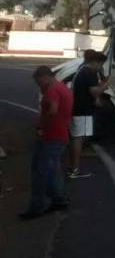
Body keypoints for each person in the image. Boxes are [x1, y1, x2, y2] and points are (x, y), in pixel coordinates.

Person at [19, 66, 73, 220]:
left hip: (52, 136)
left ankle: (36, 207)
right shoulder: (61, 87)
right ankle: (58, 200)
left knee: (40, 173)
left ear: (45, 77)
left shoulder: (52, 91)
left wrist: (42, 126)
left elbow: (53, 110)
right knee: (52, 170)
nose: (38, 85)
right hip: (58, 135)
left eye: (38, 82)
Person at [68, 49, 109, 179]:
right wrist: (107, 83)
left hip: (78, 109)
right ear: (96, 62)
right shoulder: (89, 73)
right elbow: (95, 92)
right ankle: (75, 169)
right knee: (79, 139)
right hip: (83, 110)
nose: (101, 67)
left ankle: (73, 166)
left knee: (78, 137)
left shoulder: (82, 70)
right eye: (101, 64)